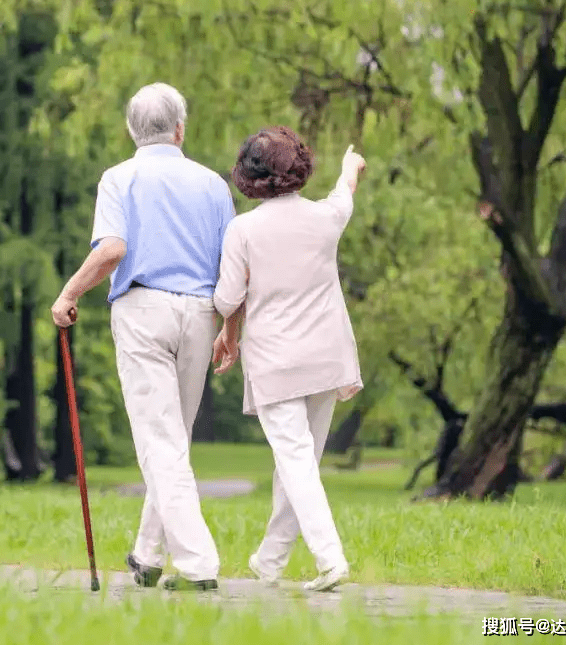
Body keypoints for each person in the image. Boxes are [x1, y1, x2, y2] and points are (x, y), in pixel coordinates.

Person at [51, 82, 235, 592]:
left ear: (132, 131)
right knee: (173, 440)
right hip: (201, 315)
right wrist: (230, 330)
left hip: (143, 310)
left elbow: (112, 249)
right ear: (181, 128)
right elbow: (232, 268)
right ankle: (149, 555)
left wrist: (69, 292)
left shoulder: (119, 178)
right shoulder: (213, 185)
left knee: (161, 442)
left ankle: (198, 564)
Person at [211, 126, 366, 592]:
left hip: (277, 361)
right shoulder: (324, 218)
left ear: (250, 175)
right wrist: (349, 166)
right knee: (300, 463)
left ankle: (330, 558)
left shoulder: (243, 230)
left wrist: (228, 320)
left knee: (296, 462)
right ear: (298, 167)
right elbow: (345, 192)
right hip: (327, 357)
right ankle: (271, 559)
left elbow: (226, 298)